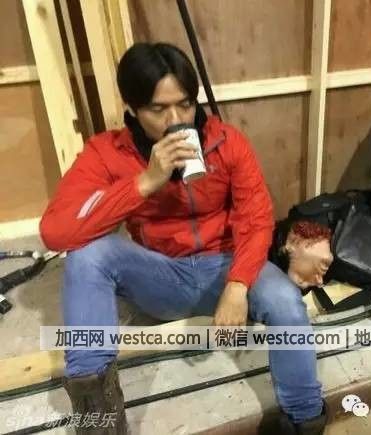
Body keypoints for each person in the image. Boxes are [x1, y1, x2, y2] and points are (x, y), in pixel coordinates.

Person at [40, 42, 326, 435]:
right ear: (132, 109)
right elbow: (56, 232)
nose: (176, 120)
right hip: (161, 276)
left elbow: (256, 218)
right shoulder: (107, 152)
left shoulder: (227, 142)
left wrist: (238, 284)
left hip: (225, 267)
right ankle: (100, 425)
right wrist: (144, 182)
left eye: (186, 105)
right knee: (87, 255)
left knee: (285, 301)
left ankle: (305, 421)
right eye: (158, 109)